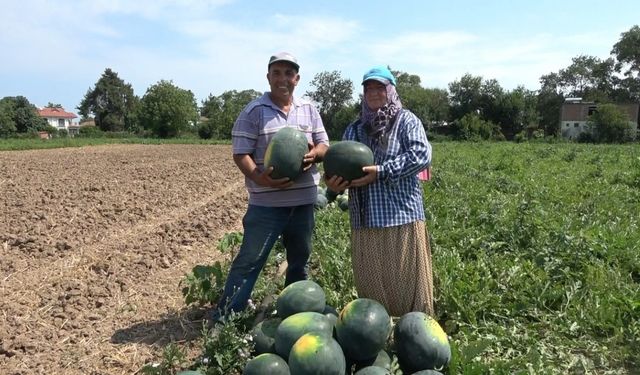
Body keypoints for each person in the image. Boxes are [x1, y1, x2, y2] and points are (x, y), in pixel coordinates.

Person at [212, 52, 329, 323]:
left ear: (297, 79)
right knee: (250, 259)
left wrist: (317, 154)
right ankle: (228, 315)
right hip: (267, 204)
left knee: (299, 259)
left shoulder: (309, 110)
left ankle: (294, 312)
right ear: (268, 77)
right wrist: (259, 177)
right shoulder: (254, 111)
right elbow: (240, 153)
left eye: (288, 73)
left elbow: (324, 144)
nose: (282, 79)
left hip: (302, 203)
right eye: (277, 73)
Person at [325, 65, 434, 317]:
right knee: (373, 287)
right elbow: (341, 163)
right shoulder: (354, 129)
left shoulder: (406, 120)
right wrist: (333, 183)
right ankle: (378, 334)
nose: (374, 93)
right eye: (368, 88)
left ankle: (413, 331)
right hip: (365, 219)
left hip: (401, 217)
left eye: (379, 87)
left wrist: (382, 171)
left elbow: (421, 155)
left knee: (407, 284)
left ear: (390, 90)